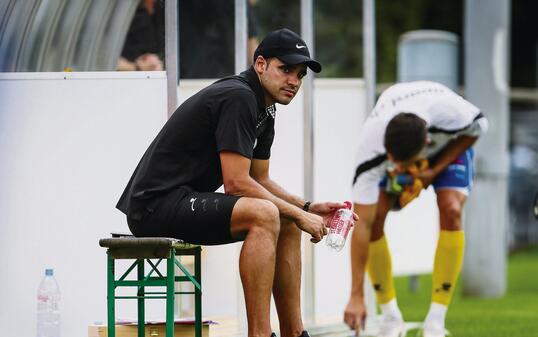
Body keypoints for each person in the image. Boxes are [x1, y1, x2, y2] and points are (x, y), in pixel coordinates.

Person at [116, 28, 357, 337]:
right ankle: (259, 334)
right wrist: (299, 213)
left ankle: (294, 333)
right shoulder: (239, 96)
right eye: (285, 69)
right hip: (152, 206)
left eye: (299, 74)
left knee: (283, 217)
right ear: (260, 64)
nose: (294, 81)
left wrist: (306, 207)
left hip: (181, 199)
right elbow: (236, 184)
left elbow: (260, 179)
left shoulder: (265, 109)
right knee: (267, 213)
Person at [343, 81, 488, 337]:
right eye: (393, 162)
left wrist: (433, 170)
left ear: (425, 145)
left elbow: (478, 128)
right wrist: (356, 295)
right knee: (374, 219)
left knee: (452, 210)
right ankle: (390, 318)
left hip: (449, 144)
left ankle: (435, 322)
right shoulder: (370, 151)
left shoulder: (453, 115)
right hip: (405, 141)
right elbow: (361, 224)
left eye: (403, 164)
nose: (397, 168)